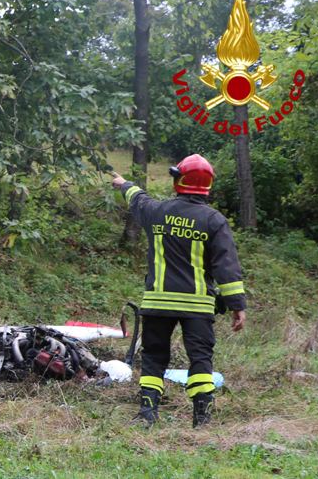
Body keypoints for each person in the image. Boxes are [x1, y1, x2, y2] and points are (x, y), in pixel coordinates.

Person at [111, 153, 247, 428]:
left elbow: (138, 198)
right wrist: (237, 305)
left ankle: (147, 415)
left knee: (153, 358)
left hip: (158, 303)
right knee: (200, 360)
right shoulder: (214, 221)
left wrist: (123, 183)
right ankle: (202, 420)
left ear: (179, 181)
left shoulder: (158, 211)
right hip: (197, 308)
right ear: (206, 186)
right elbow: (226, 266)